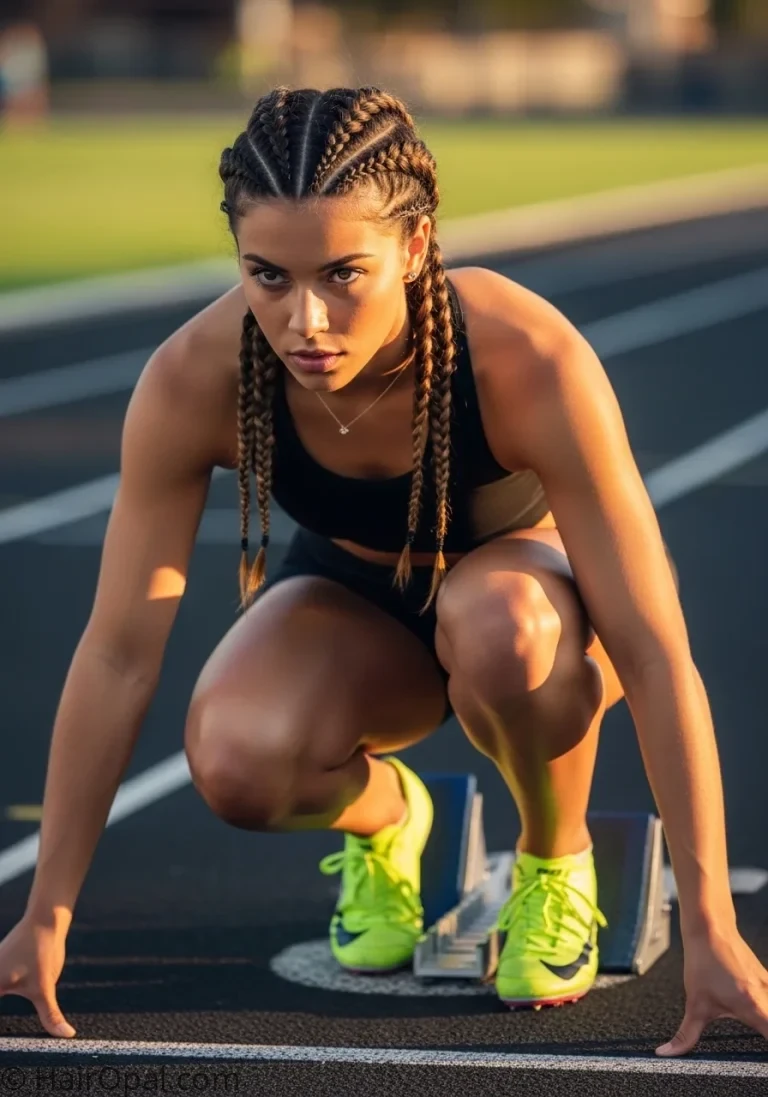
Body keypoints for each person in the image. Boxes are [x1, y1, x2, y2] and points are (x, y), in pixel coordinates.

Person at [0, 86, 766, 1056]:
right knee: (235, 759)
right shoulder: (196, 376)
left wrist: (711, 925)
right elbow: (116, 655)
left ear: (414, 246)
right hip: (361, 607)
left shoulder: (524, 357)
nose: (304, 319)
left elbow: (655, 653)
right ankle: (394, 817)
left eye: (344, 273)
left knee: (503, 628)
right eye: (267, 275)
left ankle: (552, 853)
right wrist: (49, 913)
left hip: (530, 605)